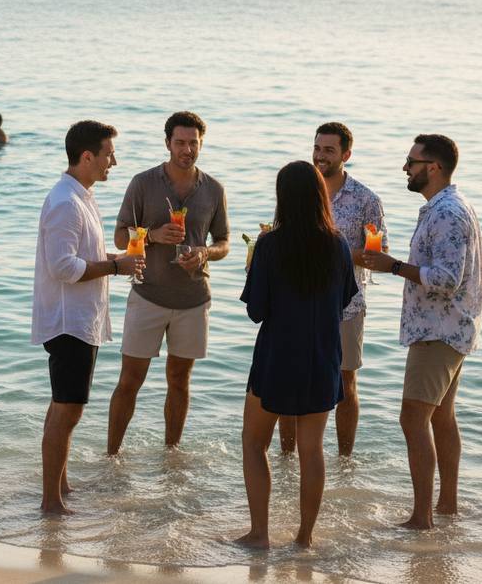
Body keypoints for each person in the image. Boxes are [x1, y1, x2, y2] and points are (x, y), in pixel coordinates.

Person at [362, 134, 482, 530]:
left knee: (413, 419)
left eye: (412, 162)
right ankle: (446, 506)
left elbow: (447, 279)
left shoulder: (447, 212)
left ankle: (422, 517)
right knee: (442, 417)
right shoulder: (445, 207)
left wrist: (392, 266)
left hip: (439, 330)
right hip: (450, 328)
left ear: (433, 168)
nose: (405, 168)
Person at [235, 161, 358, 549]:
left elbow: (257, 310)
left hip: (276, 357)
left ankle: (259, 534)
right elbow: (343, 302)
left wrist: (253, 265)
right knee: (312, 449)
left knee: (255, 444)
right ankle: (305, 537)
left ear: (282, 198)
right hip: (322, 357)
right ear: (320, 196)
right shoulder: (337, 244)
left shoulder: (271, 244)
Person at [35, 121, 144, 516]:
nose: (113, 161)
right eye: (108, 154)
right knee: (68, 409)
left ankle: (60, 485)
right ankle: (51, 501)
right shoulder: (66, 201)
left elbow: (85, 255)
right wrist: (116, 268)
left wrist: (120, 261)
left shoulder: (81, 196)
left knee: (64, 406)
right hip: (69, 321)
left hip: (81, 319)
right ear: (87, 157)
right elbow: (63, 266)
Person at [108, 111, 229, 453]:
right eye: (180, 142)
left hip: (193, 299)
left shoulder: (214, 190)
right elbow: (119, 238)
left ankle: (171, 457)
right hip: (148, 294)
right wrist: (152, 235)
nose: (186, 149)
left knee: (180, 380)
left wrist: (205, 253)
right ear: (167, 144)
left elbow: (224, 242)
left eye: (193, 143)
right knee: (130, 381)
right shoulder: (143, 183)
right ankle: (111, 456)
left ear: (201, 144)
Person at [276, 123, 386, 457]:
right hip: (297, 302)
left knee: (346, 382)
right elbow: (282, 239)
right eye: (317, 148)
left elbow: (376, 256)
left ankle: (344, 459)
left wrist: (330, 250)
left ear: (346, 155)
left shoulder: (367, 200)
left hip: (346, 305)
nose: (320, 156)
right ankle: (286, 459)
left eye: (329, 150)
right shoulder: (298, 193)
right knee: (291, 378)